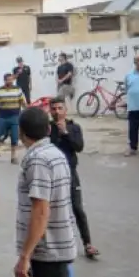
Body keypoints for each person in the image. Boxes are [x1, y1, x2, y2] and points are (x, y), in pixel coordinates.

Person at [14, 107, 79, 277]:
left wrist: (25, 256)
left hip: (48, 249)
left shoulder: (37, 160)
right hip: (56, 245)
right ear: (48, 129)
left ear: (21, 133)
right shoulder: (55, 153)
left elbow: (41, 210)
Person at [48, 97, 100, 260]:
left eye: (59, 108)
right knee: (49, 210)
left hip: (70, 173)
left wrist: (65, 133)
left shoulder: (74, 127)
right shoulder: (47, 129)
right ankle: (49, 245)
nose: (57, 112)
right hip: (52, 175)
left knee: (77, 209)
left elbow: (78, 147)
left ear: (65, 109)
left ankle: (88, 244)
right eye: (54, 109)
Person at [0, 73, 28, 164]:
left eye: (11, 79)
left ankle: (13, 157)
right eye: (8, 80)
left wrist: (27, 111)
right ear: (5, 80)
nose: (10, 81)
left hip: (15, 117)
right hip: (2, 117)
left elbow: (23, 103)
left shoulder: (18, 90)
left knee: (14, 138)